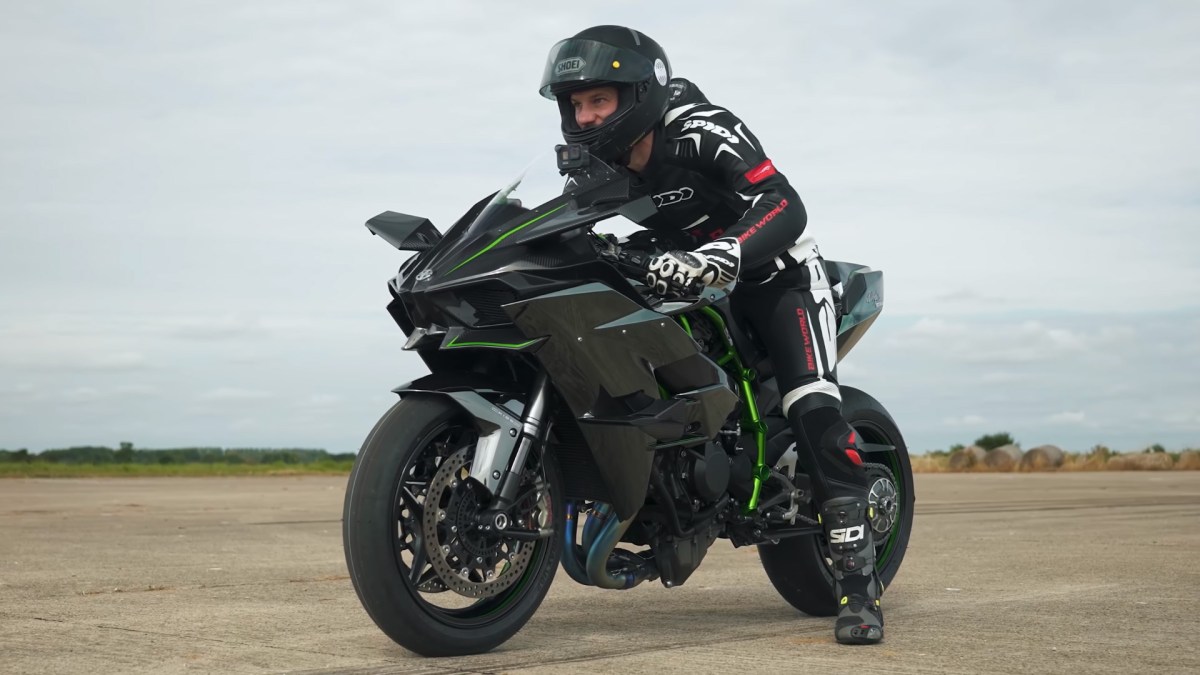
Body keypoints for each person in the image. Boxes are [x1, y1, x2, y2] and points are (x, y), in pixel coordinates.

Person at [540, 25, 884, 645]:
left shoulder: (699, 128)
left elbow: (783, 203)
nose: (585, 117)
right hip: (681, 282)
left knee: (812, 408)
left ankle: (859, 591)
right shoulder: (593, 167)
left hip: (775, 279)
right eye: (576, 104)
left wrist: (721, 254)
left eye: (599, 101)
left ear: (638, 94)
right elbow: (567, 230)